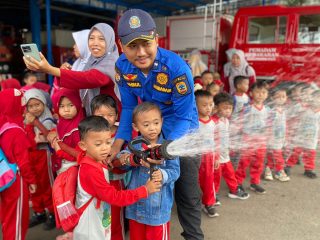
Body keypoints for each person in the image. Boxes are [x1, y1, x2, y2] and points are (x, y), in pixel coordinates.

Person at [112, 9, 203, 240]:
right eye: (133, 46)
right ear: (122, 47)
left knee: (187, 192)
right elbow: (129, 108)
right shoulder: (122, 67)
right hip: (152, 127)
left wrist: (167, 148)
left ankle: (194, 237)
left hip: (183, 132)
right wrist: (118, 141)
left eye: (146, 44)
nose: (141, 53)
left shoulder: (177, 69)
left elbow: (184, 117)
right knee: (146, 181)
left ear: (156, 40)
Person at [73, 115, 161, 240]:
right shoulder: (90, 171)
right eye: (98, 144)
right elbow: (115, 197)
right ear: (83, 145)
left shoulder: (93, 159)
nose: (105, 148)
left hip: (96, 224)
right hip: (90, 230)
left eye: (108, 142)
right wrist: (145, 190)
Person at [23, 23, 121, 116]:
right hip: (93, 117)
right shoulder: (91, 62)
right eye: (91, 38)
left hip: (112, 121)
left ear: (110, 41)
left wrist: (50, 69)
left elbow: (89, 78)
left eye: (101, 39)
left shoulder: (111, 64)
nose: (95, 43)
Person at [117, 102, 180, 240]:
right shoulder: (134, 145)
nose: (152, 128)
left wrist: (162, 174)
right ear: (135, 126)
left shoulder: (168, 147)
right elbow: (121, 163)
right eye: (146, 125)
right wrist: (133, 159)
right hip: (135, 208)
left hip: (157, 210)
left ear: (162, 122)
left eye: (156, 123)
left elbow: (175, 171)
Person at [0, 89, 37, 240]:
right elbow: (24, 162)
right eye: (21, 103)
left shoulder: (3, 126)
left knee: (8, 217)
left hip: (4, 177)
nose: (24, 108)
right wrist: (32, 181)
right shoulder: (16, 131)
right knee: (17, 219)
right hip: (17, 180)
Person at [90, 94, 126, 240]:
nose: (105, 118)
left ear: (117, 115)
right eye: (100, 115)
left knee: (115, 220)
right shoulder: (89, 133)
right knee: (99, 219)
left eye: (110, 114)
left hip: (115, 182)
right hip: (96, 184)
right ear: (92, 115)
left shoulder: (121, 133)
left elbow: (126, 155)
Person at [24, 88, 57, 230]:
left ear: (44, 103)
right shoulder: (25, 118)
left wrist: (35, 122)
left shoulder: (48, 118)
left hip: (44, 155)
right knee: (35, 184)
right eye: (30, 106)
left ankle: (52, 213)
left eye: (37, 104)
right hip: (31, 155)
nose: (34, 108)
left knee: (47, 184)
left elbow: (49, 136)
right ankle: (39, 211)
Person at [212, 92, 249, 203]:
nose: (228, 110)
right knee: (216, 177)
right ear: (216, 107)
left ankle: (233, 190)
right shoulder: (214, 122)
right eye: (225, 108)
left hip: (225, 155)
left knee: (230, 174)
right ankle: (214, 194)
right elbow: (212, 141)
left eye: (230, 108)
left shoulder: (226, 121)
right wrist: (216, 157)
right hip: (216, 157)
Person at [235, 81, 269, 194]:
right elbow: (239, 122)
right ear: (251, 93)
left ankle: (255, 182)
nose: (260, 95)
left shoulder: (268, 109)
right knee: (244, 162)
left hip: (261, 141)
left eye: (263, 92)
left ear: (267, 94)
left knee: (258, 162)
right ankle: (238, 182)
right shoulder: (247, 108)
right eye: (258, 92)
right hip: (248, 141)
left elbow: (270, 123)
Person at [285, 89, 320, 179]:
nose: (317, 100)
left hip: (312, 137)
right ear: (311, 98)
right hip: (300, 135)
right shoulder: (303, 108)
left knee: (310, 154)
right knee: (296, 151)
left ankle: (309, 169)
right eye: (316, 98)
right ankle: (288, 165)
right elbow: (291, 116)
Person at [194, 90, 219, 218]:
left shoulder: (214, 123)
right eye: (204, 105)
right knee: (194, 181)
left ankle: (209, 203)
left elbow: (217, 141)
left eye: (210, 104)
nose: (208, 108)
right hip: (195, 157)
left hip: (209, 157)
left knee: (209, 181)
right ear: (195, 105)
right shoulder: (193, 122)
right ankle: (195, 203)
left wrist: (217, 158)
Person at [49, 88, 85, 174]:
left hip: (73, 167)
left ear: (78, 104)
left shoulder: (79, 128)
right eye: (62, 106)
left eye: (71, 105)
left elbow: (80, 155)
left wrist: (59, 151)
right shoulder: (62, 121)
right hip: (62, 164)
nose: (66, 110)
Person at [264, 87, 290, 182]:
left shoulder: (284, 111)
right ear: (272, 98)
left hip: (280, 137)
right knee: (278, 155)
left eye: (283, 96)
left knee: (272, 154)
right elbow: (267, 124)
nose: (281, 98)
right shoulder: (271, 111)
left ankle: (268, 169)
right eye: (278, 96)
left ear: (286, 98)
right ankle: (279, 170)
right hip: (272, 138)